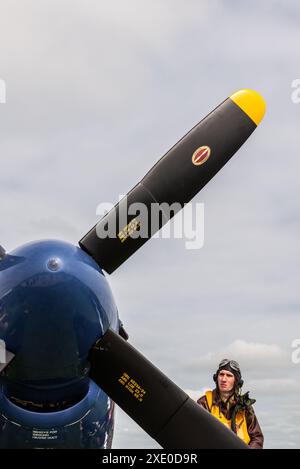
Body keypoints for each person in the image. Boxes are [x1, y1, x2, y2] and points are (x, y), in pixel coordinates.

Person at [197, 359, 264, 448]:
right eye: (221, 374)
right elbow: (196, 433)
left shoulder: (245, 407)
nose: (224, 379)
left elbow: (257, 438)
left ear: (237, 381)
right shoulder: (204, 403)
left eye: (229, 375)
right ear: (216, 377)